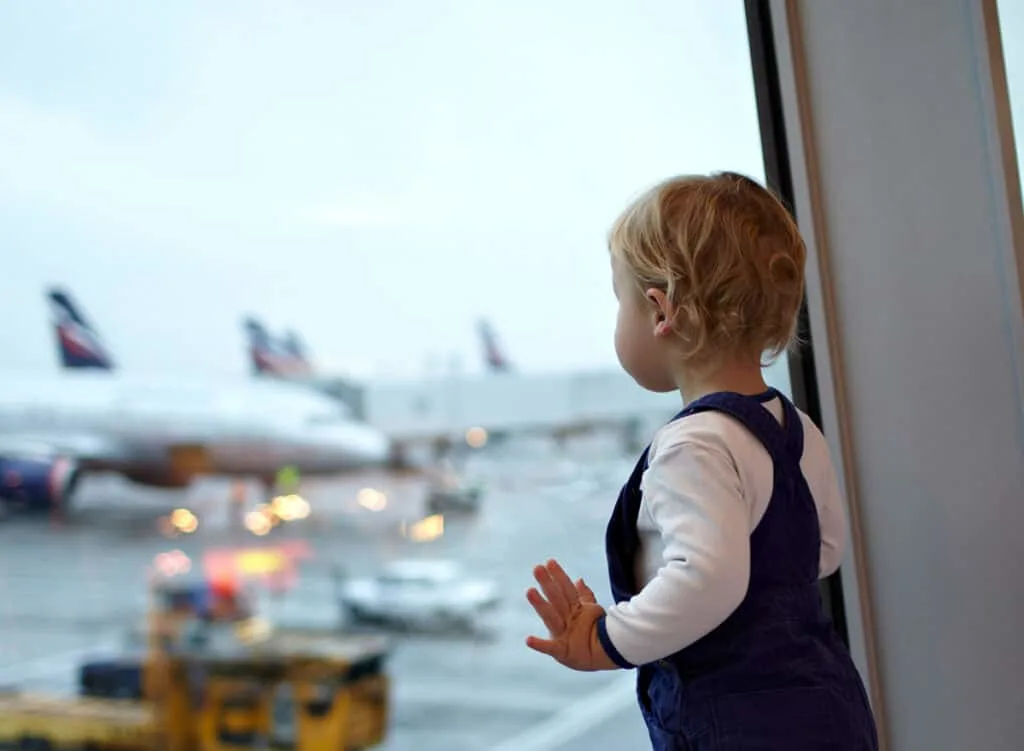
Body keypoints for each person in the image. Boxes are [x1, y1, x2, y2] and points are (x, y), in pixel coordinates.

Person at [524, 172, 879, 749]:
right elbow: (824, 549)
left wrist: (608, 637)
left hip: (741, 724)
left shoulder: (694, 446)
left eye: (621, 300)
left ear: (660, 309)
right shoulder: (794, 427)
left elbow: (708, 578)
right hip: (828, 701)